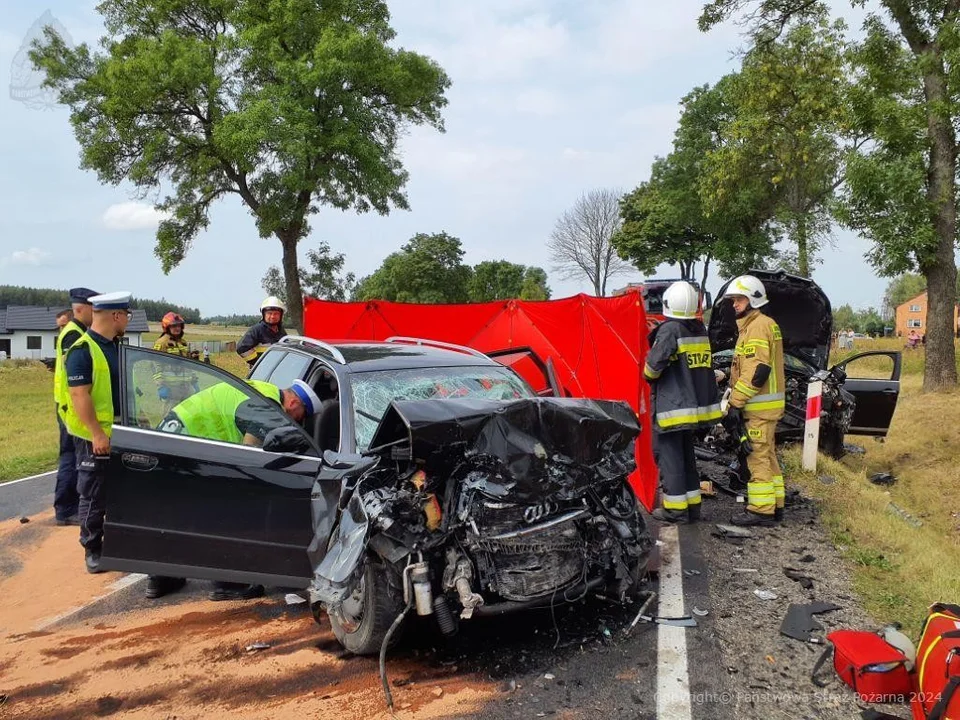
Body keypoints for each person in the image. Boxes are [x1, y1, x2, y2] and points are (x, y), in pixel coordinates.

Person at [144, 377, 322, 601]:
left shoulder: (261, 388)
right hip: (190, 445)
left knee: (175, 511)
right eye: (302, 417)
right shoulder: (268, 407)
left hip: (171, 435)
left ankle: (160, 576)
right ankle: (229, 583)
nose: (299, 424)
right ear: (294, 403)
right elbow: (249, 453)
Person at [60, 291, 131, 573]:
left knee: (121, 488)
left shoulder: (116, 347)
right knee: (94, 491)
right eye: (126, 315)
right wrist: (96, 434)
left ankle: (118, 541)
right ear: (116, 316)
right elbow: (79, 395)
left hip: (121, 430)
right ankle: (92, 547)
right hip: (95, 436)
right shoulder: (82, 349)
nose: (127, 320)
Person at [644, 282, 722, 524]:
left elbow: (651, 370)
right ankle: (692, 507)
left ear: (669, 304)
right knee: (687, 458)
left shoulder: (670, 331)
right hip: (693, 411)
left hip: (672, 410)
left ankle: (676, 511)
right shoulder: (698, 329)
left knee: (670, 459)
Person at [720, 275, 786, 527]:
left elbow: (757, 370)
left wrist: (735, 403)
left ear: (753, 299)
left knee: (757, 457)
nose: (734, 304)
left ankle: (761, 510)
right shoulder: (763, 324)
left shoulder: (757, 326)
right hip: (767, 408)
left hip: (758, 408)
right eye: (733, 300)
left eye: (738, 299)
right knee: (768, 457)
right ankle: (776, 505)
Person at [52, 288, 99, 526]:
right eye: (94, 309)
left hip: (69, 405)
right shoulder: (73, 335)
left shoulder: (76, 331)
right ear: (82, 308)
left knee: (73, 456)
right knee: (71, 457)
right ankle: (65, 508)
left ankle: (69, 505)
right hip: (69, 407)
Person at [152, 312, 197, 414]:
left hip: (186, 387)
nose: (177, 328)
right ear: (167, 327)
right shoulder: (161, 343)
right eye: (174, 326)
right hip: (171, 389)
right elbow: (156, 366)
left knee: (189, 415)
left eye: (179, 326)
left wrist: (194, 381)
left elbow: (189, 364)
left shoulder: (183, 343)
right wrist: (161, 386)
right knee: (170, 417)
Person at [237, 296, 288, 367]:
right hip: (260, 373)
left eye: (276, 314)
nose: (273, 316)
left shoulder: (281, 331)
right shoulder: (257, 330)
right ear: (264, 314)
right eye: (269, 313)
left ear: (281, 315)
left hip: (277, 370)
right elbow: (242, 348)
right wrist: (258, 363)